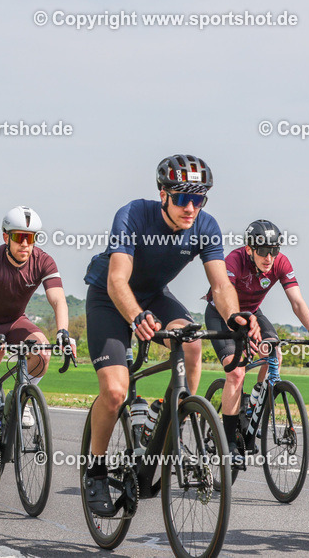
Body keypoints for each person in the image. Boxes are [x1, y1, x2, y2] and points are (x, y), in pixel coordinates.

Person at [82, 154, 259, 517]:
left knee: (191, 341)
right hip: (110, 298)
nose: (191, 207)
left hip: (154, 297)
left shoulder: (205, 226)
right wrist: (135, 316)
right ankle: (95, 471)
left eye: (199, 199)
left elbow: (221, 283)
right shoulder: (132, 215)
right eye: (182, 198)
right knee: (115, 391)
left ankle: (170, 422)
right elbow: (118, 279)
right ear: (162, 193)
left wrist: (235, 316)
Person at [0, 206, 74, 490]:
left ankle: (23, 395)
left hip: (15, 322)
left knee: (42, 350)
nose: (26, 244)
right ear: (6, 237)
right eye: (19, 237)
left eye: (31, 237)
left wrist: (63, 331)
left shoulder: (43, 260)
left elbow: (58, 300)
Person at [204, 219, 309, 459]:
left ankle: (252, 403)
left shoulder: (280, 263)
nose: (269, 257)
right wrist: (237, 326)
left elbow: (297, 301)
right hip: (223, 314)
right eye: (263, 251)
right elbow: (223, 295)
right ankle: (228, 442)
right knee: (237, 372)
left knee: (274, 352)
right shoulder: (234, 260)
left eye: (274, 250)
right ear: (249, 249)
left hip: (252, 312)